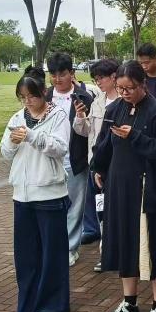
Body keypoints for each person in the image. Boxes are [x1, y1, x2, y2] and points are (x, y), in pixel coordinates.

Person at [93, 60, 156, 312]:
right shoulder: (114, 109)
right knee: (125, 241)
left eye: (129, 88)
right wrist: (99, 168)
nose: (125, 93)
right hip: (120, 187)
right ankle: (129, 302)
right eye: (120, 88)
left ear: (143, 85)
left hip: (147, 189)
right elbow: (104, 143)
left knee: (154, 245)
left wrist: (136, 136)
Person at [1, 66, 71, 312]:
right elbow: (5, 153)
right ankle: (28, 304)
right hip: (22, 194)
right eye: (22, 97)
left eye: (31, 96)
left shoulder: (58, 115)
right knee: (26, 254)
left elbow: (60, 148)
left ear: (43, 93)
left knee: (52, 252)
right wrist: (12, 141)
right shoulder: (17, 117)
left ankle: (53, 305)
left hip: (50, 193)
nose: (27, 101)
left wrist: (32, 136)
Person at [46, 53, 95, 267]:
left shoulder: (84, 97)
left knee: (75, 205)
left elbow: (90, 131)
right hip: (50, 160)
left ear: (72, 74)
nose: (57, 79)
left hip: (75, 159)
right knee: (51, 204)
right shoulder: (45, 96)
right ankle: (54, 246)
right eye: (53, 74)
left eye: (62, 74)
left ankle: (70, 248)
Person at [77, 58, 121, 271]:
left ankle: (124, 252)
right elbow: (88, 132)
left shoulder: (125, 101)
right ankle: (106, 253)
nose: (98, 82)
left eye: (101, 78)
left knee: (119, 210)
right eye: (95, 79)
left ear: (114, 76)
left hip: (118, 165)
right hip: (97, 164)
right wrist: (80, 117)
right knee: (101, 209)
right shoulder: (97, 101)